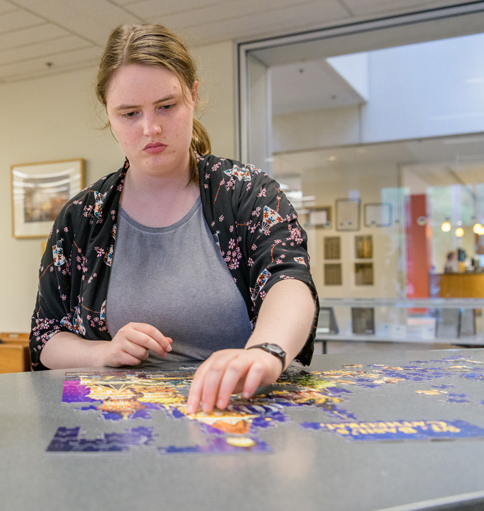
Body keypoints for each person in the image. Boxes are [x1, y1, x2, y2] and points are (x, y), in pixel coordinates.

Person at [30, 23, 318, 415]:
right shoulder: (82, 217)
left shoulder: (248, 194)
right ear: (109, 116)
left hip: (236, 412)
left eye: (167, 106)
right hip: (120, 426)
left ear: (193, 95)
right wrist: (104, 352)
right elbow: (46, 336)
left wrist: (265, 353)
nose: (151, 128)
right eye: (129, 113)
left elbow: (289, 281)